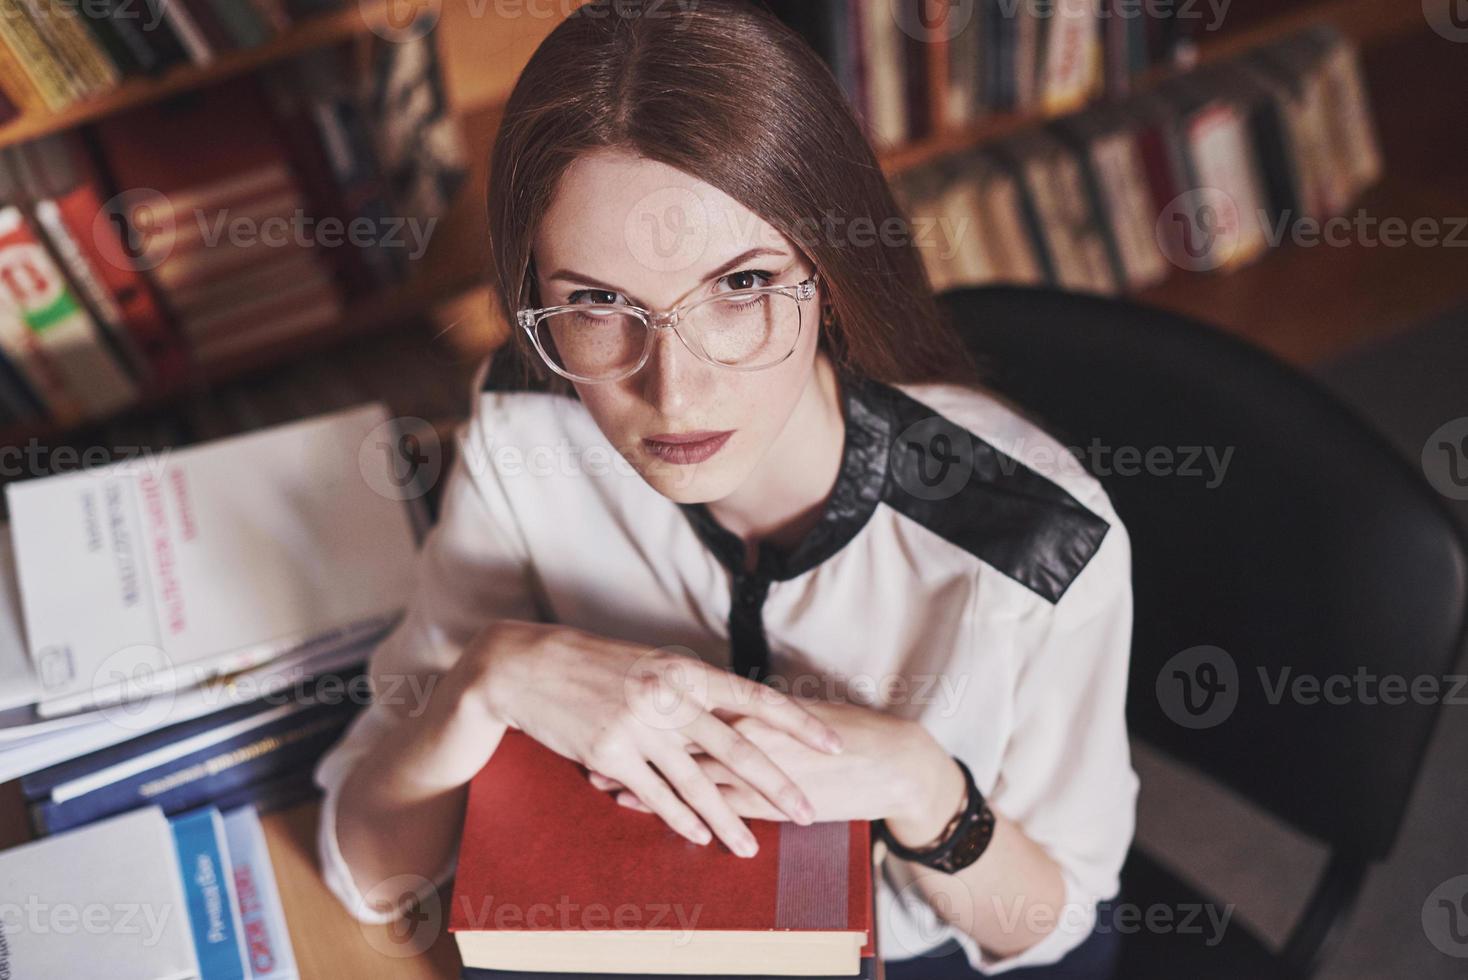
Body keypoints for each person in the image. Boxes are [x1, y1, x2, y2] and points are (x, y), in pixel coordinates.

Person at [314, 2, 1138, 976]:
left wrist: (926, 788)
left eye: (740, 285)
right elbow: (367, 867)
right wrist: (485, 679)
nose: (674, 388)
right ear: (529, 286)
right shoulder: (525, 420)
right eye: (596, 303)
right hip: (637, 912)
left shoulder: (1039, 541)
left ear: (825, 272)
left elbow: (1050, 920)